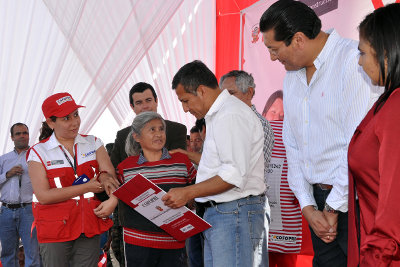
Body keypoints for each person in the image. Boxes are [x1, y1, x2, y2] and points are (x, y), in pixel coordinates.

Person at [259, 1, 377, 266]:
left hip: (356, 200)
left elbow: (357, 146)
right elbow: (293, 145)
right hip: (318, 202)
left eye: (274, 49)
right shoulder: (292, 77)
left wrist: (334, 206)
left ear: (298, 39)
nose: (273, 58)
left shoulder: (352, 60)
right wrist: (308, 206)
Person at [162, 60, 268, 267]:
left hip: (235, 212)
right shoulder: (219, 115)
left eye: (185, 101)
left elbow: (233, 175)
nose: (185, 109)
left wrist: (188, 193)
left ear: (201, 90)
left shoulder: (231, 114)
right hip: (225, 213)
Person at [27, 92, 115, 267]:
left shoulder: (94, 143)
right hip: (54, 230)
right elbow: (43, 196)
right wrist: (86, 187)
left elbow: (110, 174)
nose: (75, 122)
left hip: (89, 225)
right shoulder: (38, 152)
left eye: (76, 115)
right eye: (66, 118)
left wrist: (111, 194)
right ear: (51, 123)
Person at [97, 111, 196, 267]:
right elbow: (117, 193)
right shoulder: (126, 167)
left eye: (161, 129)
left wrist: (190, 200)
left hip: (174, 242)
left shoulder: (181, 161)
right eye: (152, 129)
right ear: (136, 137)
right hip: (137, 242)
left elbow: (196, 190)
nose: (158, 134)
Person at [348, 3, 400, 266]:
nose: (360, 61)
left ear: (387, 53)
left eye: (363, 53)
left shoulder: (396, 106)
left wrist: (374, 259)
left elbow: (394, 207)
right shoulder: (387, 102)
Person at [110, 82, 187, 168]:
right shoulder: (122, 135)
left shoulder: (177, 130)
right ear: (132, 107)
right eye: (139, 103)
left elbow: (180, 164)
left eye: (148, 100)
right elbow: (113, 169)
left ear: (156, 101)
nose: (145, 106)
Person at [0, 123, 41, 267]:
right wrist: (7, 174)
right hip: (5, 211)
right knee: (7, 254)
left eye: (25, 133)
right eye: (18, 133)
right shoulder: (3, 159)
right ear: (12, 137)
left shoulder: (36, 156)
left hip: (29, 210)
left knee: (33, 253)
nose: (22, 136)